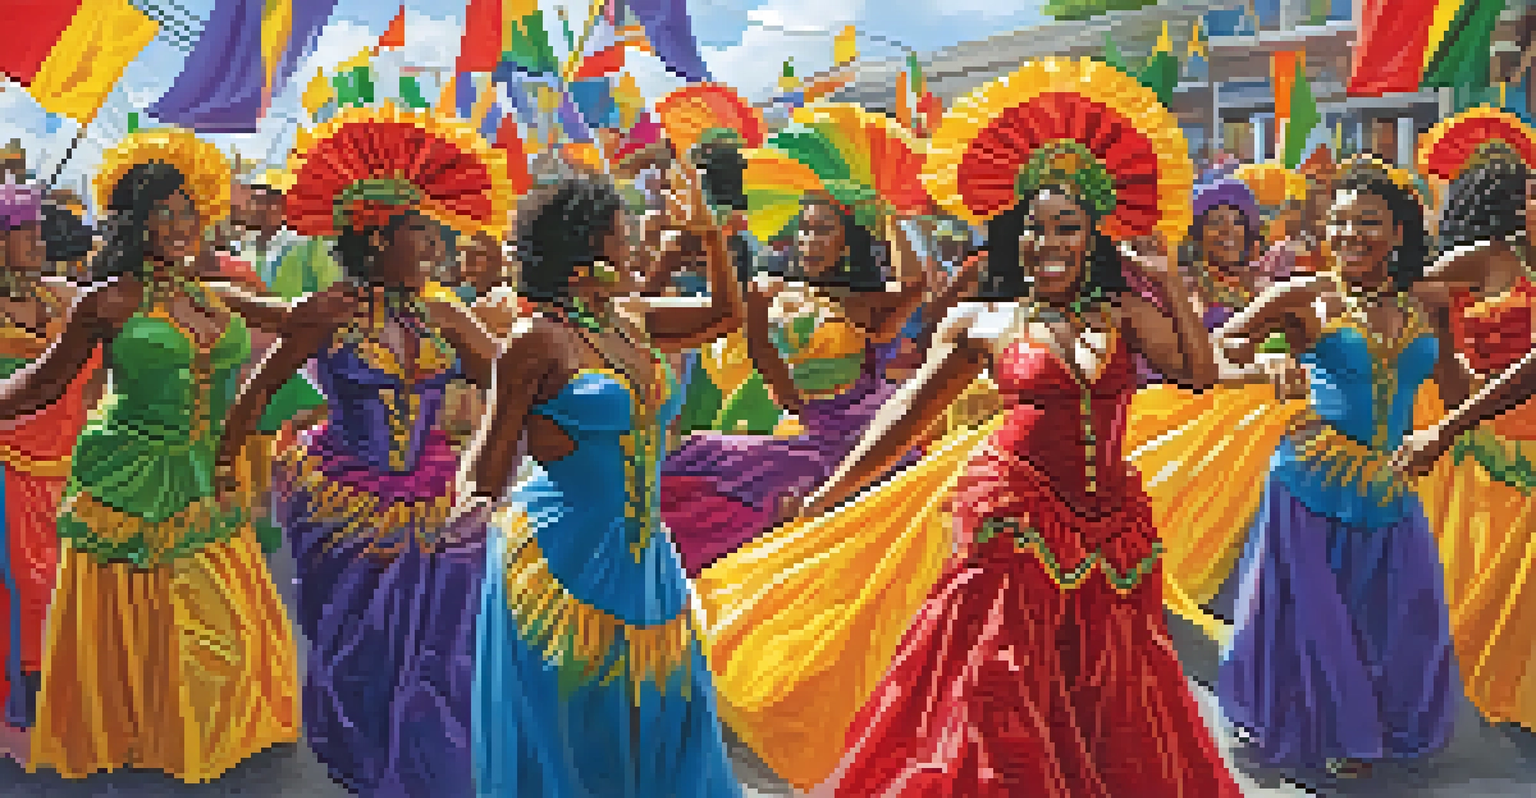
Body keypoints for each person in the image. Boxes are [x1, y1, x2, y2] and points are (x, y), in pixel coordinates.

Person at [692, 58, 1241, 796]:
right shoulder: (983, 322)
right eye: (1035, 228)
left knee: (1110, 702)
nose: (1049, 243)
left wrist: (1168, 277)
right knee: (998, 696)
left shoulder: (1128, 313)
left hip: (1113, 535)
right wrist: (828, 496)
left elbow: (1198, 375)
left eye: (1068, 228)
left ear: (1094, 238)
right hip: (1014, 526)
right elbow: (904, 416)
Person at [215, 107, 512, 798]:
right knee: (360, 644)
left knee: (437, 644)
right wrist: (226, 465)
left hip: (437, 496)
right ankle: (362, 755)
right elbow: (258, 392)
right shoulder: (326, 312)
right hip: (344, 501)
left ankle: (423, 761)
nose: (435, 243)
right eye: (419, 231)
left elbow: (512, 381)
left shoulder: (445, 314)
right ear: (378, 239)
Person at [0, 130, 300, 782]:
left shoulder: (209, 292)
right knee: (161, 618)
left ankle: (193, 734)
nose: (178, 225)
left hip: (205, 472)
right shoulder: (107, 300)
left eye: (188, 211)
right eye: (162, 212)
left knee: (221, 622)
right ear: (135, 222)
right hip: (130, 476)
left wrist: (353, 301)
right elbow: (45, 382)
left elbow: (291, 318)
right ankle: (148, 735)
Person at [466, 172, 743, 797]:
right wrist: (467, 506)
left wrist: (710, 236)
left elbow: (726, 315)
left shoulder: (630, 320)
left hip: (645, 557)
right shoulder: (536, 340)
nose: (635, 245)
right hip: (563, 560)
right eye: (623, 234)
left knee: (666, 715)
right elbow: (492, 461)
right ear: (587, 246)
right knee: (582, 733)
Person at [1215, 155, 1456, 778]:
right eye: (1339, 222)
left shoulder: (1428, 303)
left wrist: (1492, 413)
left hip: (1391, 480)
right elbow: (1225, 342)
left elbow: (1457, 387)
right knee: (1321, 617)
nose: (1350, 234)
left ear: (1397, 231)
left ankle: (1376, 721)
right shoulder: (1307, 297)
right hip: (1310, 480)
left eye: (1367, 221)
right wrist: (1269, 363)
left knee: (1402, 613)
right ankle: (1345, 733)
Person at [658, 191, 925, 576]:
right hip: (810, 433)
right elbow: (765, 360)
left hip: (868, 434)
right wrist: (797, 405)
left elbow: (915, 284)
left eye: (823, 230)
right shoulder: (768, 292)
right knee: (698, 466)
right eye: (805, 229)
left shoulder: (865, 303)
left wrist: (892, 214)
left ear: (846, 241)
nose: (810, 240)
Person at [1122, 178, 1309, 640]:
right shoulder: (1184, 287)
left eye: (1235, 222)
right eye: (1215, 223)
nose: (1227, 232)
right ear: (1198, 234)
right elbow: (1196, 360)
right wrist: (1256, 369)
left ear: (1250, 230)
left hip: (1263, 403)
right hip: (1198, 402)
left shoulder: (1270, 286)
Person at [1406, 111, 1536, 732]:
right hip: (1494, 441)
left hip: (1488, 430)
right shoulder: (1486, 260)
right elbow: (1397, 296)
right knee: (1491, 586)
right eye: (1530, 193)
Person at [0, 181, 102, 757]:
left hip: (71, 463)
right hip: (7, 467)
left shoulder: (64, 298)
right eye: (25, 234)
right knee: (23, 582)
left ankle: (63, 685)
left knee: (66, 578)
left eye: (39, 233)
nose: (38, 243)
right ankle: (25, 690)